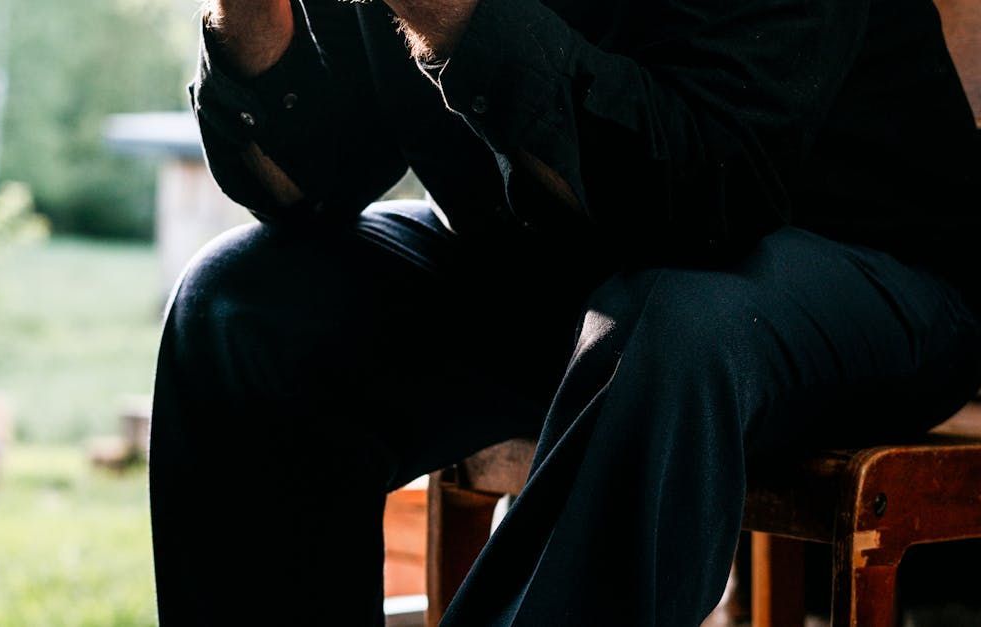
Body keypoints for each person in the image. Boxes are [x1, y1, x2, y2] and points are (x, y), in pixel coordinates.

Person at [148, 0, 981, 624]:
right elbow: (307, 180)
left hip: (865, 273)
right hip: (561, 272)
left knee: (673, 320)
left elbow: (709, 191)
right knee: (242, 309)